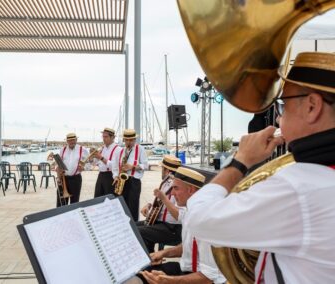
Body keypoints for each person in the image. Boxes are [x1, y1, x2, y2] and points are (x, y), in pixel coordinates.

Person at [185, 51, 335, 283]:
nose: (277, 119)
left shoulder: (299, 186)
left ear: (312, 106)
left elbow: (199, 220)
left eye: (283, 105)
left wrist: (239, 161)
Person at [139, 167, 226, 284]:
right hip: (188, 270)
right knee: (143, 273)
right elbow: (188, 246)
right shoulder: (188, 212)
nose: (172, 193)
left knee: (144, 279)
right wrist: (163, 253)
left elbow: (209, 277)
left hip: (201, 278)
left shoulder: (206, 221)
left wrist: (170, 281)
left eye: (175, 188)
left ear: (190, 190)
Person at [137, 155, 184, 253]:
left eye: (162, 168)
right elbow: (159, 204)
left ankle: (150, 261)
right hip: (161, 223)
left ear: (167, 170)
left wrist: (164, 198)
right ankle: (150, 258)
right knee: (131, 226)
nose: (161, 171)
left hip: (173, 228)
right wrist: (149, 205)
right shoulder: (166, 182)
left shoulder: (179, 187)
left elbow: (179, 216)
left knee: (139, 232)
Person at [112, 129, 148, 221]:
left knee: (133, 207)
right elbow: (115, 166)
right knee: (121, 207)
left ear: (135, 140)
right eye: (127, 140)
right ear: (124, 140)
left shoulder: (140, 149)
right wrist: (115, 176)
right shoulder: (119, 151)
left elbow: (146, 165)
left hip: (134, 181)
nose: (129, 142)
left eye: (131, 140)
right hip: (122, 181)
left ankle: (134, 226)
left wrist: (132, 167)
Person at [56, 133, 89, 207]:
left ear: (76, 140)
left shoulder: (82, 149)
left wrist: (84, 168)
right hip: (63, 178)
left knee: (74, 202)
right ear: (67, 141)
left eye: (73, 140)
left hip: (76, 179)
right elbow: (59, 163)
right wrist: (58, 172)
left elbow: (89, 163)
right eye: (69, 140)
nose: (71, 142)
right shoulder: (62, 149)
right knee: (61, 202)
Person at [93, 127, 121, 198]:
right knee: (98, 198)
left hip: (111, 176)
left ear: (113, 137)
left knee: (110, 199)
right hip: (101, 175)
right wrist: (92, 158)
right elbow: (95, 163)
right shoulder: (102, 148)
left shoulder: (118, 150)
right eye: (103, 137)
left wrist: (101, 158)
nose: (104, 139)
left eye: (106, 137)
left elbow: (115, 167)